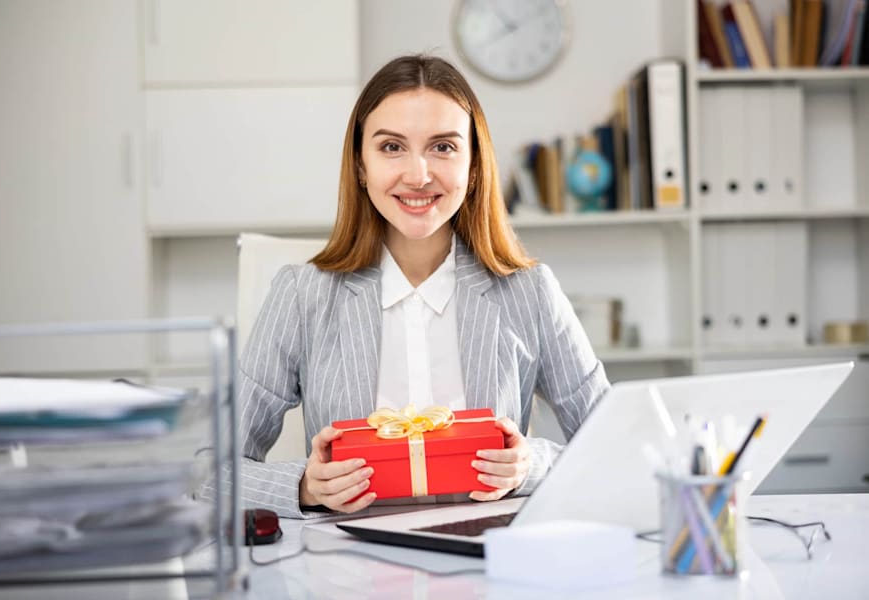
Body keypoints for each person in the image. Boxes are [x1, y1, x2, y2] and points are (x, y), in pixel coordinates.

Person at [237, 54, 610, 519]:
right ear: (360, 165)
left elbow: (615, 444)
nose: (418, 175)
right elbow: (211, 475)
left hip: (486, 566)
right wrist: (304, 487)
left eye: (443, 147)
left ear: (474, 165)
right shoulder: (302, 294)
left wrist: (531, 465)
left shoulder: (530, 291)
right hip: (344, 573)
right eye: (391, 147)